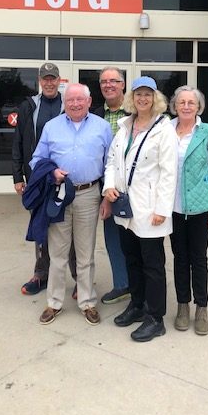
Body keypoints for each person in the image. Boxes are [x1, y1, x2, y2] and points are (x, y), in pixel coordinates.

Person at [30, 83, 112, 326]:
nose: (75, 104)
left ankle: (87, 302)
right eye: (70, 100)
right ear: (64, 103)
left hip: (89, 194)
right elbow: (37, 160)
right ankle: (54, 302)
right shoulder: (51, 127)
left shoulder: (103, 127)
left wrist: (106, 197)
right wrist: (52, 172)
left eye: (80, 99)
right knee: (57, 254)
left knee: (86, 254)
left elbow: (111, 163)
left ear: (89, 102)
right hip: (59, 194)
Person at [103, 77, 178, 342]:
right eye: (138, 94)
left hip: (150, 210)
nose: (142, 99)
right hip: (126, 208)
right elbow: (112, 161)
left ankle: (156, 318)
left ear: (155, 98)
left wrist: (162, 210)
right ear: (131, 98)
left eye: (148, 94)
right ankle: (137, 305)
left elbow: (169, 173)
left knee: (153, 265)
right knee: (132, 259)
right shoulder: (125, 127)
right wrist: (108, 186)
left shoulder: (164, 129)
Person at [12, 62, 76, 296]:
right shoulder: (28, 106)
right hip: (38, 178)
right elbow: (18, 142)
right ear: (40, 81)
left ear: (59, 80)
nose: (49, 83)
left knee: (70, 229)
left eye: (53, 78)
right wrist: (18, 175)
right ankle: (41, 274)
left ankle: (79, 278)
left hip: (64, 178)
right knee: (41, 226)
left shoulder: (69, 105)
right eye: (45, 78)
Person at [169, 85, 208, 335]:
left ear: (198, 106)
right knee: (180, 258)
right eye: (182, 102)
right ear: (175, 106)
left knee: (198, 258)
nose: (186, 106)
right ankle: (183, 306)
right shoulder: (166, 129)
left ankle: (201, 307)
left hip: (201, 207)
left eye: (191, 102)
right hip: (174, 207)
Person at [95, 66, 130, 305]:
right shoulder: (95, 115)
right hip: (106, 186)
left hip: (134, 188)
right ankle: (122, 285)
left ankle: (142, 290)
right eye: (104, 82)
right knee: (113, 240)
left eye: (114, 81)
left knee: (138, 241)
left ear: (123, 85)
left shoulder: (137, 111)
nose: (108, 85)